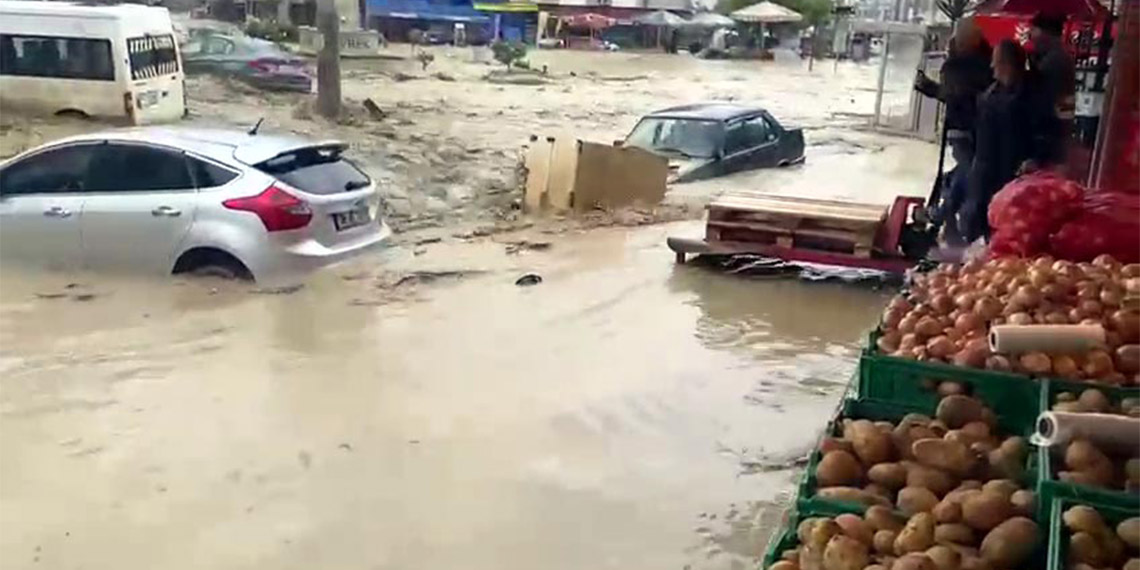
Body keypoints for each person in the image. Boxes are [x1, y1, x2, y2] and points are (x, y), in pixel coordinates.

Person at [958, 39, 1057, 243]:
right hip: (987, 167)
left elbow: (1045, 130)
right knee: (982, 217)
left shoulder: (1032, 94)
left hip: (1015, 170)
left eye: (997, 61)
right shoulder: (991, 93)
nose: (992, 66)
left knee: (1009, 221)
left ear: (1009, 64)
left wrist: (1036, 158)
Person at [914, 18, 993, 245]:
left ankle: (942, 213)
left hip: (967, 128)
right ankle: (944, 215)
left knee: (968, 173)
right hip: (970, 129)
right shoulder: (980, 63)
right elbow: (957, 95)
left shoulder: (958, 65)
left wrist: (929, 87)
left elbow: (953, 95)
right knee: (969, 172)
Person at [1028, 12, 1076, 164]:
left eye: (1034, 30)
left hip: (1048, 137)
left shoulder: (1054, 62)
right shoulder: (1055, 58)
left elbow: (1048, 102)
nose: (1030, 35)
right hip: (1054, 136)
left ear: (1045, 32)